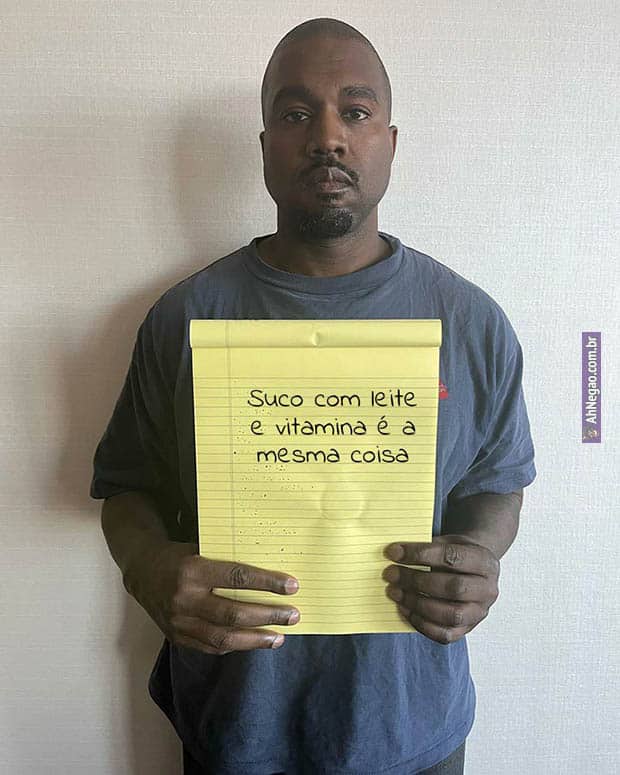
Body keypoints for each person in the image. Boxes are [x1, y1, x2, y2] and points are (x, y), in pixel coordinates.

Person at [91, 17, 536, 775]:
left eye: (355, 112)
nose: (328, 137)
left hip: (410, 729)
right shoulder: (185, 317)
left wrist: (479, 557)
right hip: (235, 728)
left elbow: (498, 483)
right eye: (296, 114)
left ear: (390, 142)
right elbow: (126, 486)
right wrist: (149, 568)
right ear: (265, 145)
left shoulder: (470, 322)